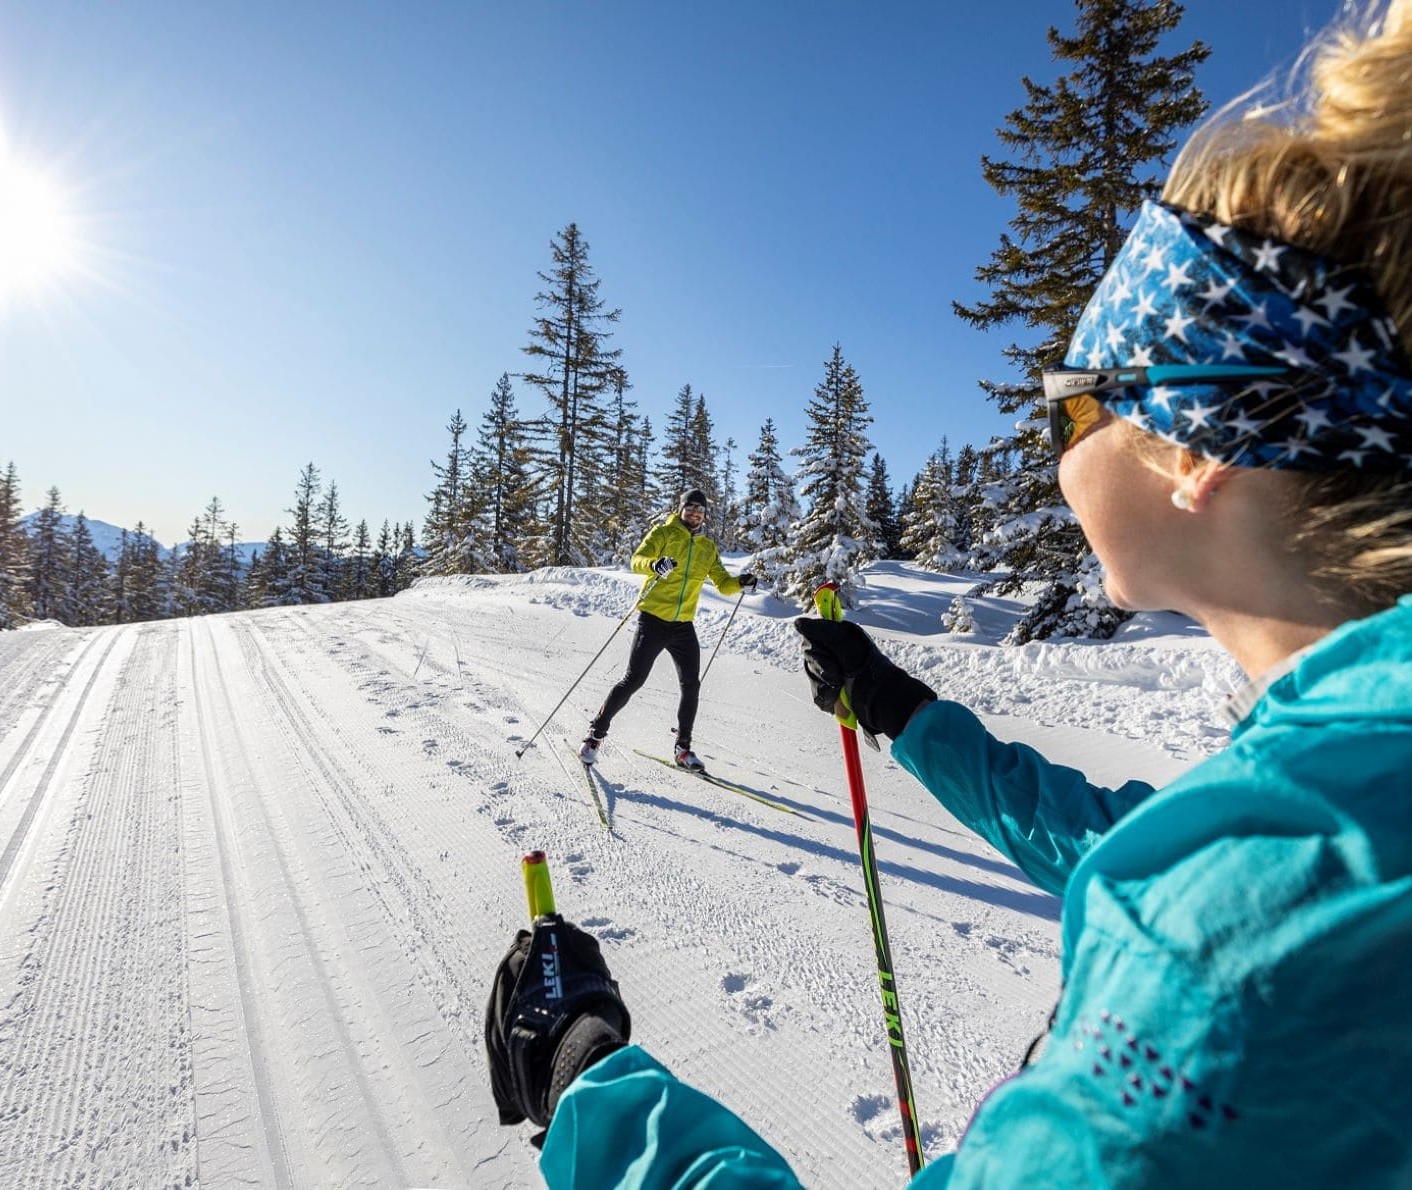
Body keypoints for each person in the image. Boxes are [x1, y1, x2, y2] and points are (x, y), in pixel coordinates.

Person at [486, 3, 1412, 1184]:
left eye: (1074, 395)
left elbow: (1209, 893)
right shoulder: (1335, 802)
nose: (1053, 423)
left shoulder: (1225, 966)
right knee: (644, 671)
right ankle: (613, 731)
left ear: (1195, 445)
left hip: (683, 640)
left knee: (680, 679)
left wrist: (585, 1077)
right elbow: (1140, 844)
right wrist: (905, 712)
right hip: (653, 617)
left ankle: (663, 737)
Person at [578, 488, 757, 771]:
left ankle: (683, 748)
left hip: (683, 625)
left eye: (700, 510)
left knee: (691, 685)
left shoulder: (707, 548)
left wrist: (740, 582)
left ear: (705, 516)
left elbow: (722, 583)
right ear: (681, 508)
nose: (695, 514)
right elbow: (637, 560)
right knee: (633, 679)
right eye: (691, 508)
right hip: (653, 619)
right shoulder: (663, 533)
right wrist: (655, 565)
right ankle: (594, 735)